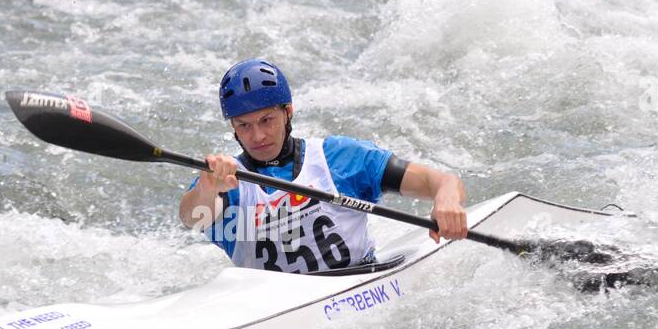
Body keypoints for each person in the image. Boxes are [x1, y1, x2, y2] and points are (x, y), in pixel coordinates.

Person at [178, 58, 467, 273]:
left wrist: (447, 199)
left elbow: (441, 181)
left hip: (357, 283)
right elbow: (191, 217)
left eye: (267, 120)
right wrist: (206, 187)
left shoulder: (338, 158)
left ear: (288, 112)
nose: (258, 136)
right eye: (244, 126)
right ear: (233, 127)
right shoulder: (224, 179)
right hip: (272, 310)